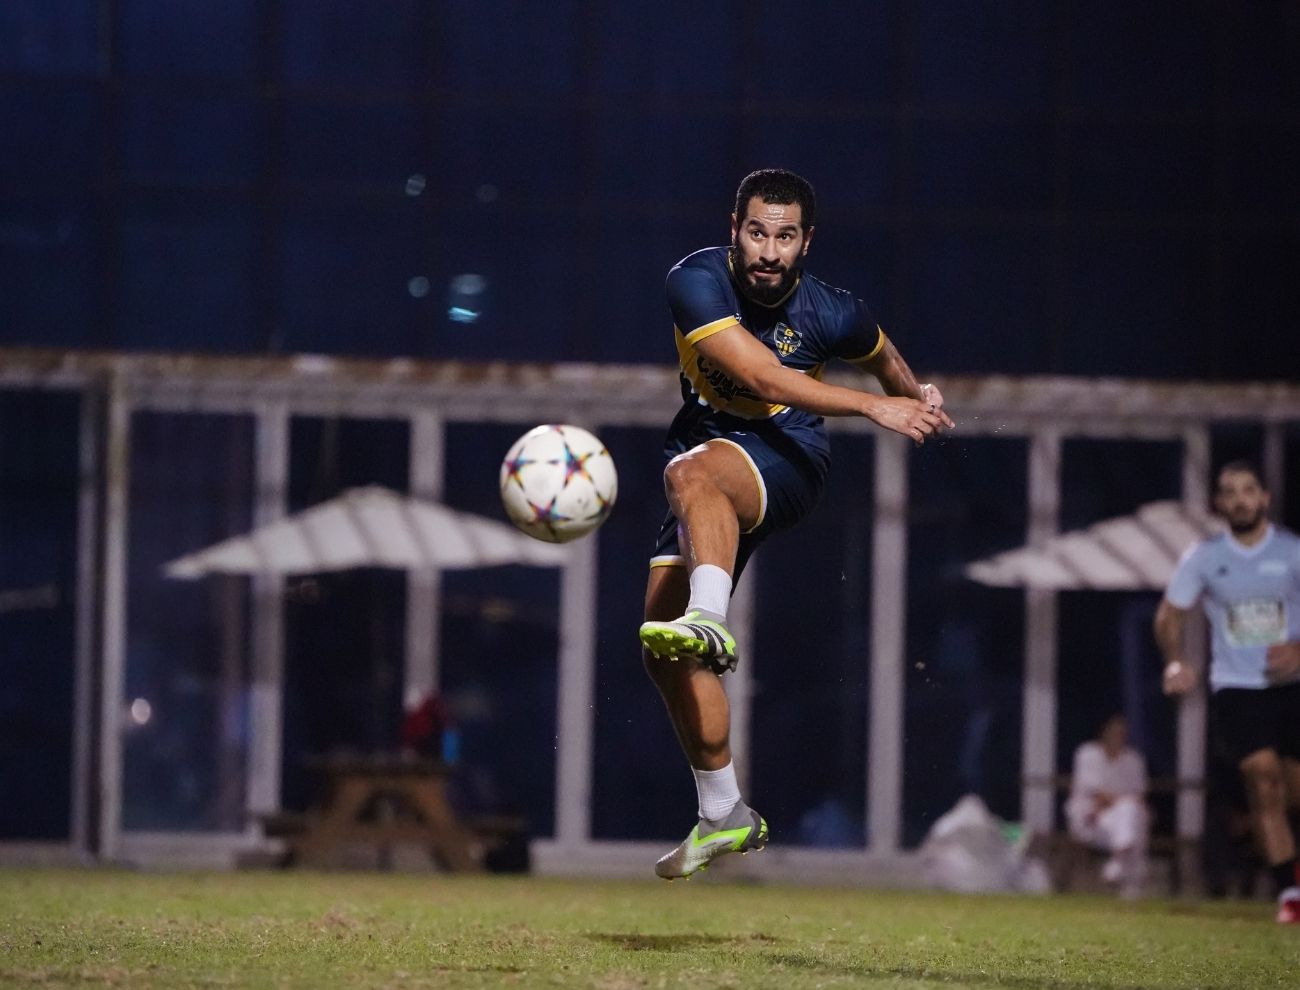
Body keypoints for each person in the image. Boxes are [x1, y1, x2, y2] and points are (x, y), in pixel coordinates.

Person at [637, 168, 954, 879]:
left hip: (787, 457)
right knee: (661, 652)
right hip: (712, 451)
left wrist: (914, 395)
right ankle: (723, 812)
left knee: (690, 475)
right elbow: (759, 375)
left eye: (785, 236)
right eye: (757, 232)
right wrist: (873, 407)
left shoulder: (833, 309)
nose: (769, 251)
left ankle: (710, 615)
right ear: (734, 230)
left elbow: (883, 354)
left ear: (806, 241)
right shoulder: (694, 282)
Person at [1155, 460, 1300, 923]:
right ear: (1219, 504)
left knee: (1292, 791)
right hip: (1237, 688)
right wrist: (1176, 660)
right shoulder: (1203, 557)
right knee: (1263, 782)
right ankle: (1289, 896)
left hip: (1292, 686)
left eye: (1248, 490)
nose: (1239, 499)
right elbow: (1169, 617)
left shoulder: (1293, 552)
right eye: (1229, 492)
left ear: (1265, 498)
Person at [1065, 713, 1150, 897]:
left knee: (1135, 816)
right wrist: (1126, 802)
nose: (1118, 737)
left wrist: (1130, 805)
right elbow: (1098, 795)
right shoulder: (1087, 754)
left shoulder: (1133, 760)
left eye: (1122, 733)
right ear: (1104, 732)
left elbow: (1139, 796)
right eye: (1114, 732)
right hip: (1092, 820)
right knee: (1131, 814)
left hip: (1121, 821)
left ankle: (1120, 868)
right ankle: (1122, 871)